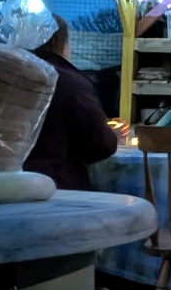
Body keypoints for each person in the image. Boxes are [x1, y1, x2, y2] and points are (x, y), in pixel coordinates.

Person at [23, 14, 118, 191]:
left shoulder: (5, 74)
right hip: (57, 186)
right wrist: (113, 135)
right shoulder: (69, 82)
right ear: (63, 44)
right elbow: (101, 145)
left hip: (4, 183)